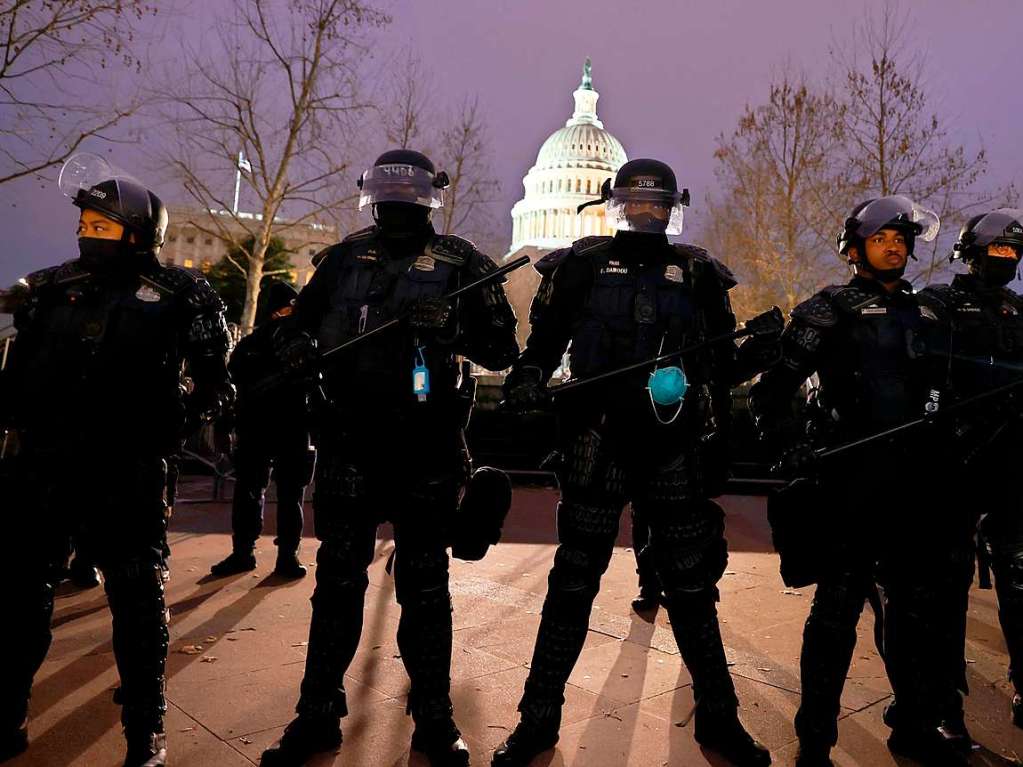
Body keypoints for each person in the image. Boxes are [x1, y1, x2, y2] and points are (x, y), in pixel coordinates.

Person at [493, 158, 780, 767]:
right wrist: (525, 377)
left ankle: (720, 721)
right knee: (571, 587)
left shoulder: (701, 273)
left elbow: (717, 365)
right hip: (598, 441)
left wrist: (758, 353)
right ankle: (536, 721)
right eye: (638, 202)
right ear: (617, 203)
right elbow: (542, 346)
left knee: (694, 590)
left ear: (671, 207)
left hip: (671, 446)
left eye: (658, 204)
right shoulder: (580, 265)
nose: (647, 213)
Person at [260, 149, 519, 767]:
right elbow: (294, 320)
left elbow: (504, 347)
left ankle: (433, 717)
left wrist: (452, 327)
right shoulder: (344, 257)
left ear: (427, 199)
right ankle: (317, 711)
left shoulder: (463, 264)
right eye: (387, 197)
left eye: (406, 198)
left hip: (425, 450)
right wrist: (293, 343)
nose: (396, 207)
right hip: (349, 443)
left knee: (426, 590)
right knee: (337, 585)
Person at [0, 154, 232, 767]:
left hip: (126, 471)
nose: (86, 236)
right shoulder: (50, 287)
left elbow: (215, 378)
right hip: (46, 467)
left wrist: (178, 422)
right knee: (23, 595)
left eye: (101, 228)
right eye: (83, 225)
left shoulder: (183, 293)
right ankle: (8, 712)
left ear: (137, 233)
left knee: (136, 602)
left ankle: (145, 730)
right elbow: (17, 370)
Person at [748, 195, 970, 766]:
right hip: (849, 482)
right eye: (883, 236)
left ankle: (915, 725)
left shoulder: (931, 315)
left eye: (902, 237)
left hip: (916, 486)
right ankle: (815, 738)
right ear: (857, 247)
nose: (896, 244)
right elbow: (771, 393)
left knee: (914, 615)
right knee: (836, 615)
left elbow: (949, 392)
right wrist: (791, 443)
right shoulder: (827, 310)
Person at [917, 208, 1023, 745]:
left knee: (1020, 574)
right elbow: (921, 374)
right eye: (997, 251)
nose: (1005, 261)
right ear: (972, 252)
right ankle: (945, 701)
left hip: (1010, 460)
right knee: (947, 585)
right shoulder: (937, 304)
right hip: (953, 460)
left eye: (1013, 253)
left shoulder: (1019, 311)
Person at [210, 281, 314, 579]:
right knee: (253, 492)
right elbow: (231, 389)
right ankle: (247, 553)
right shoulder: (251, 346)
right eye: (288, 308)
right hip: (259, 427)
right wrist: (225, 425)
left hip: (289, 426)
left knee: (286, 493)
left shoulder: (303, 341)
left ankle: (282, 556)